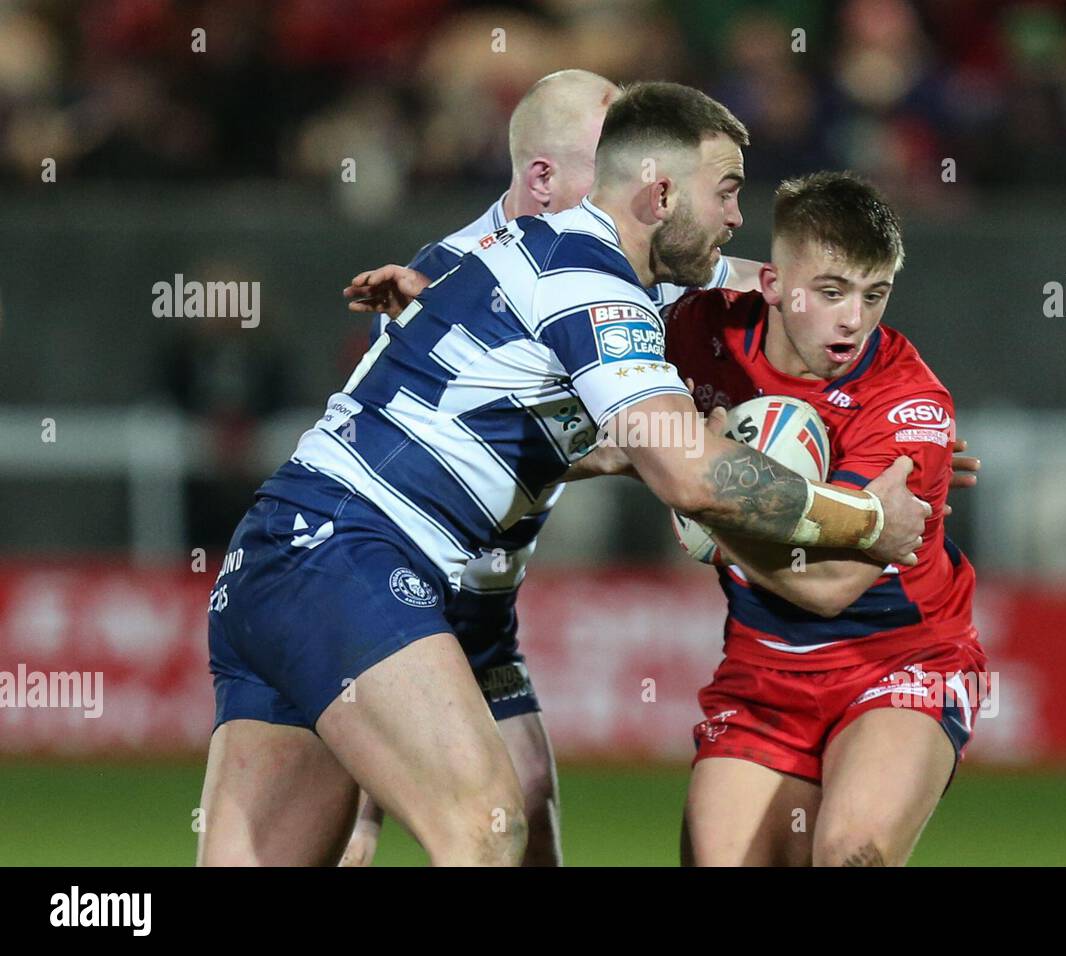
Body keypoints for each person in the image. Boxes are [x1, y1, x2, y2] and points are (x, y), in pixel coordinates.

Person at [197, 83, 930, 866]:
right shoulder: (594, 284)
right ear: (660, 194)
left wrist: (879, 412)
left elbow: (772, 287)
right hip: (347, 557)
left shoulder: (538, 254)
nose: (735, 216)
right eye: (726, 192)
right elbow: (690, 476)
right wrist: (864, 520)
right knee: (487, 829)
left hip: (279, 557)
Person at [336, 69, 762, 867]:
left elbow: (759, 286)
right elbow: (442, 445)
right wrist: (663, 457)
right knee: (356, 818)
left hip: (486, 604)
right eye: (616, 159)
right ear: (543, 175)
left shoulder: (627, 253)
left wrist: (876, 400)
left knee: (525, 805)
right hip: (395, 573)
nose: (642, 183)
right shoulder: (457, 272)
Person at [663, 171, 987, 866]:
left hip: (898, 660)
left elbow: (830, 585)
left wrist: (711, 511)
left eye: (876, 295)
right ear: (774, 285)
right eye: (832, 292)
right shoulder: (698, 331)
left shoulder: (909, 403)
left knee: (851, 854)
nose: (853, 320)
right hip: (762, 668)